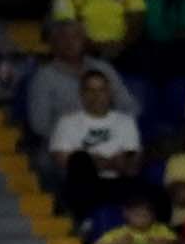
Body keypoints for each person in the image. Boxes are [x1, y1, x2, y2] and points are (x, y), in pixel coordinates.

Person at [50, 70, 143, 220]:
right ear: (82, 94)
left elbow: (133, 164)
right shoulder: (67, 122)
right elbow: (63, 160)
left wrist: (99, 161)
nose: (96, 96)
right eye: (90, 90)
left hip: (117, 183)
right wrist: (104, 162)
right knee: (80, 159)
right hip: (84, 184)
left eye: (101, 90)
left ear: (109, 93)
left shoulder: (126, 122)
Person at [27, 20, 138, 141]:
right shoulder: (44, 77)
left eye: (75, 37)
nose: (69, 42)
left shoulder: (103, 68)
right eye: (63, 37)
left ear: (84, 41)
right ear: (53, 43)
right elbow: (40, 125)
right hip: (64, 145)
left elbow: (129, 106)